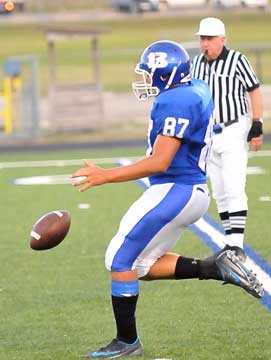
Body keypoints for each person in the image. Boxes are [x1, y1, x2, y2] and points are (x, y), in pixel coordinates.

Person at [71, 40, 263, 359]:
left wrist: (105, 175)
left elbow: (160, 161)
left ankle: (127, 342)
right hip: (190, 191)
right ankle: (214, 267)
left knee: (118, 259)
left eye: (150, 73)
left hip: (175, 188)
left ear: (165, 74)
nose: (145, 80)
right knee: (141, 265)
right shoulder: (197, 88)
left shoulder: (175, 101)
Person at [192, 17, 264, 261]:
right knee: (220, 191)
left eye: (210, 39)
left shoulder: (237, 60)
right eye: (202, 38)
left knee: (234, 186)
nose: (205, 44)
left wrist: (257, 123)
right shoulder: (196, 64)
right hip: (209, 134)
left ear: (223, 39)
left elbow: (253, 89)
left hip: (234, 129)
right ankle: (228, 240)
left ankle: (237, 244)